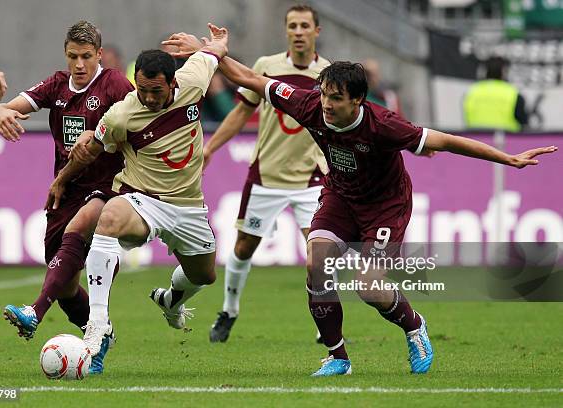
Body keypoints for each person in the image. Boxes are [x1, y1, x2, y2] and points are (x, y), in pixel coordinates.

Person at [165, 24, 557, 376]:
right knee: (316, 266)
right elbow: (249, 78)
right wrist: (212, 52)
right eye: (323, 94)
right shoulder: (309, 105)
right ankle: (338, 357)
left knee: (368, 287)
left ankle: (414, 326)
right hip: (339, 196)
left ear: (358, 101)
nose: (325, 104)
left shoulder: (385, 125)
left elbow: (447, 141)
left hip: (385, 207)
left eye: (335, 98)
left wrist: (506, 157)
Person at [44, 31, 229, 357]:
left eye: (156, 91)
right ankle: (98, 324)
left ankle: (172, 300)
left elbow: (214, 53)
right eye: (142, 90)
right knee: (109, 216)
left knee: (204, 275)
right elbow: (91, 150)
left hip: (188, 207)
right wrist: (61, 179)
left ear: (173, 83)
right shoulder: (122, 114)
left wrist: (217, 41)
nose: (149, 98)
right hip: (142, 199)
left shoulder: (195, 80)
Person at [0, 21, 134, 374]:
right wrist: (1, 111)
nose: (80, 64)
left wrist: (106, 136)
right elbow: (13, 106)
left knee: (83, 225)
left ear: (99, 55)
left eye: (87, 56)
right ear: (66, 55)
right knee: (66, 282)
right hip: (66, 188)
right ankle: (98, 331)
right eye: (73, 56)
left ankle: (34, 312)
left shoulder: (114, 84)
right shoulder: (56, 84)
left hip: (109, 185)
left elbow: (138, 119)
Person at [204, 4, 330, 344]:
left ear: (316, 31)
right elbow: (240, 113)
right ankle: (229, 310)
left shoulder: (329, 75)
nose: (299, 31)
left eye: (305, 25)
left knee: (318, 253)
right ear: (286, 31)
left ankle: (325, 323)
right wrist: (210, 148)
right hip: (267, 176)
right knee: (244, 247)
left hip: (310, 179)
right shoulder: (266, 67)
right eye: (293, 25)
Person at [463, 56, 528, 132]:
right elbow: (524, 126)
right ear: (504, 72)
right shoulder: (513, 94)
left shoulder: (471, 92)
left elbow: (467, 118)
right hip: (507, 141)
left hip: (475, 141)